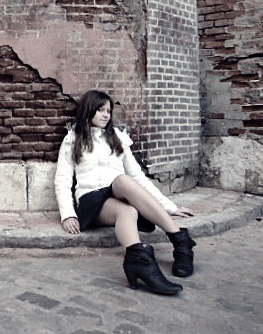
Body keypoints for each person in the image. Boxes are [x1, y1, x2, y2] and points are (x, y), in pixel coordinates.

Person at [53, 90, 196, 295]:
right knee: (124, 190)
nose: (106, 115)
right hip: (91, 200)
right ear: (88, 110)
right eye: (100, 110)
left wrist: (169, 207)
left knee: (127, 198)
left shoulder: (118, 137)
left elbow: (138, 177)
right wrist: (67, 214)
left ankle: (153, 257)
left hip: (117, 193)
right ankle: (178, 242)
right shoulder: (73, 139)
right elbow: (63, 179)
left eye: (108, 111)